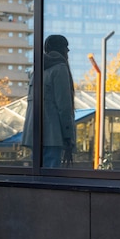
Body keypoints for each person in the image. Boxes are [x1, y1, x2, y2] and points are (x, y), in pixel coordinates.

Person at [22, 34, 75, 167]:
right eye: (66, 48)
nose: (68, 52)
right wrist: (68, 136)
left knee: (38, 174)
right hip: (53, 135)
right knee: (51, 176)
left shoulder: (37, 71)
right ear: (63, 50)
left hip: (34, 135)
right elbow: (64, 106)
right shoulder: (60, 69)